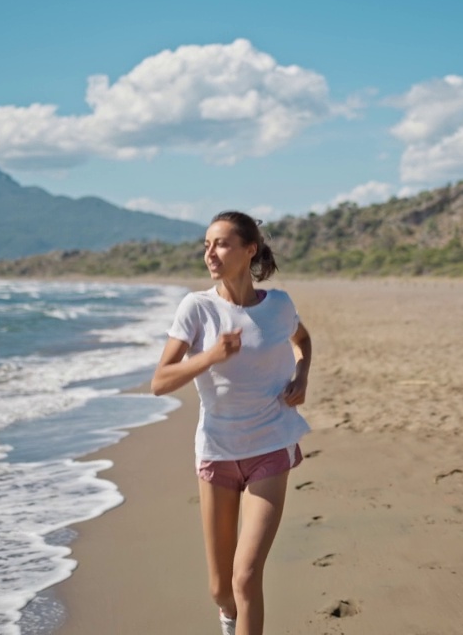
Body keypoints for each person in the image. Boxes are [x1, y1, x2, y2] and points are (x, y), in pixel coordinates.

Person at [151, 210, 312, 635]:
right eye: (206, 245)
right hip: (218, 452)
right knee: (222, 588)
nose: (210, 253)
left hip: (270, 446)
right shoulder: (197, 308)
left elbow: (303, 340)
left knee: (246, 575)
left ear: (249, 250)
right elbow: (159, 381)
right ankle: (227, 619)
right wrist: (209, 357)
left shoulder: (278, 305)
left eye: (221, 243)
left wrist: (301, 375)